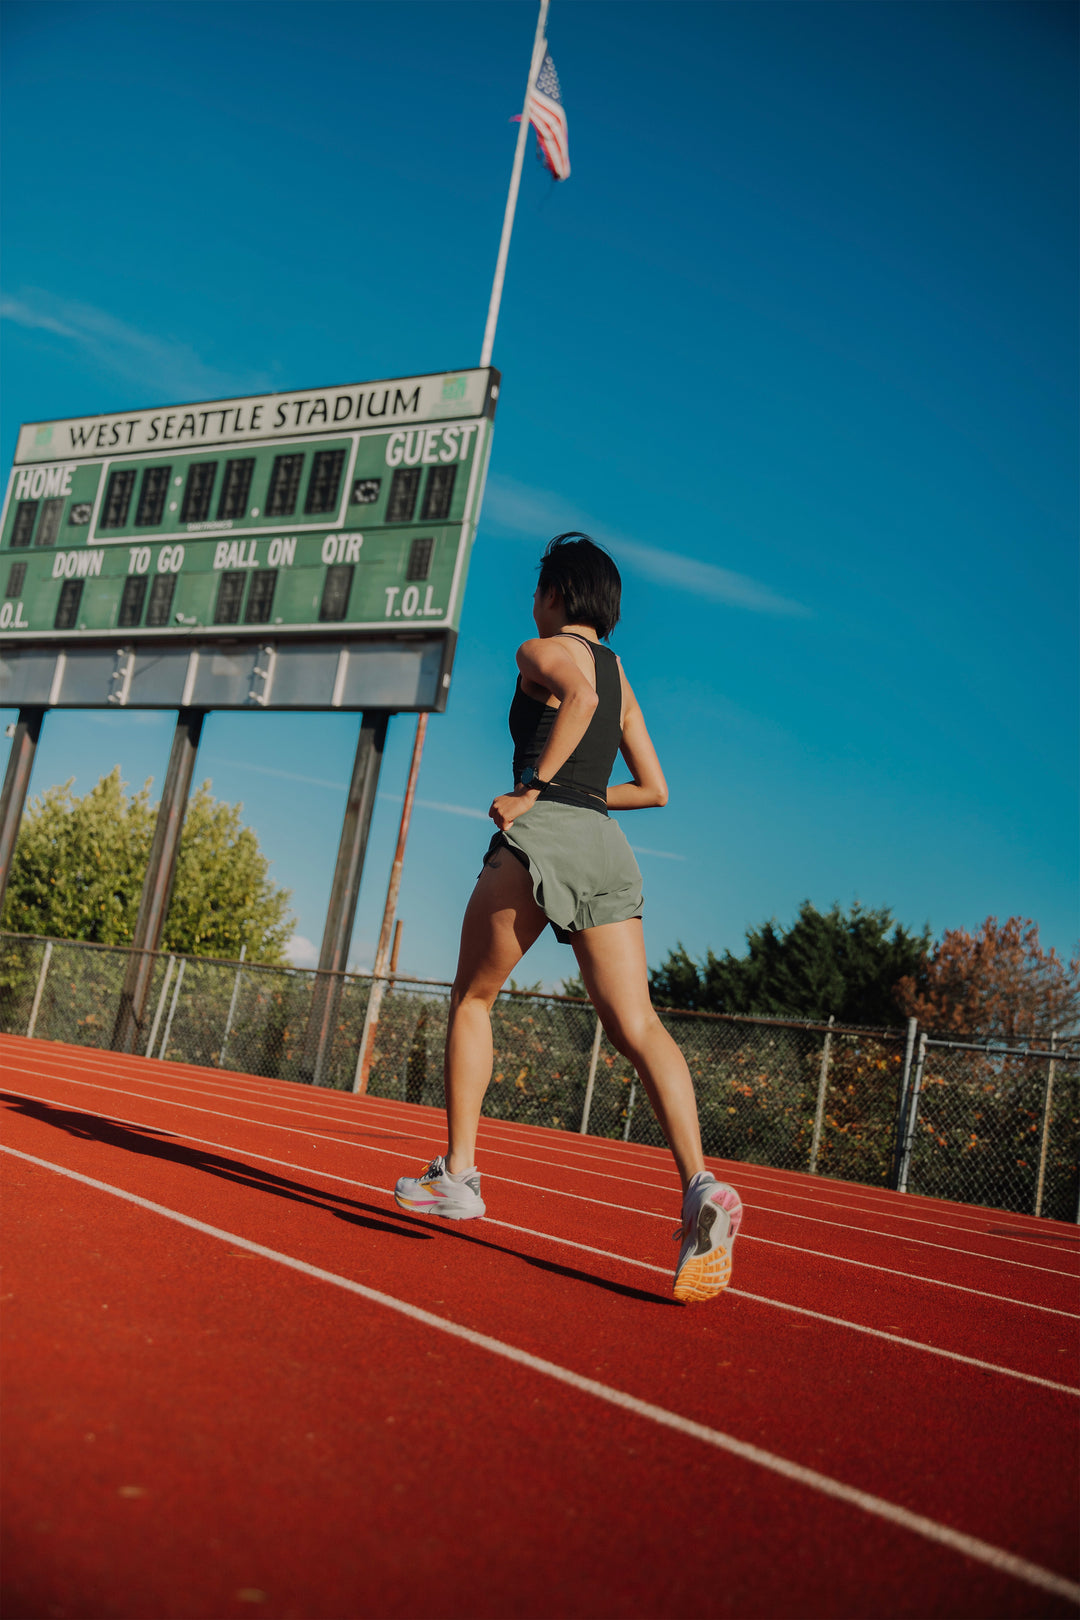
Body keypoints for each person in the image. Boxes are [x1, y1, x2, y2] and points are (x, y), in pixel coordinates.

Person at [394, 534, 742, 1303]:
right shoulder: (623, 675)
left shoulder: (539, 650)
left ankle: (459, 1175)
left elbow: (575, 701)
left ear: (558, 595)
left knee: (473, 999)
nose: (530, 604)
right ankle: (700, 1185)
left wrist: (535, 792)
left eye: (537, 591)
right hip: (604, 847)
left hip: (542, 834)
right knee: (640, 1026)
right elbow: (654, 789)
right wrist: (580, 798)